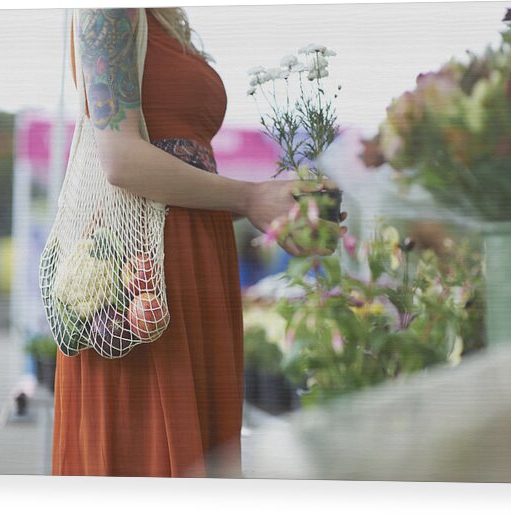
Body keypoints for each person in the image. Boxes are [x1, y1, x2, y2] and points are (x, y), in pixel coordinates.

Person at [52, 7, 346, 478]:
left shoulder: (163, 18)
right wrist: (250, 197)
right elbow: (121, 161)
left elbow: (182, 177)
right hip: (140, 274)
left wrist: (277, 209)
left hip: (195, 259)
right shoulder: (107, 12)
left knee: (198, 463)